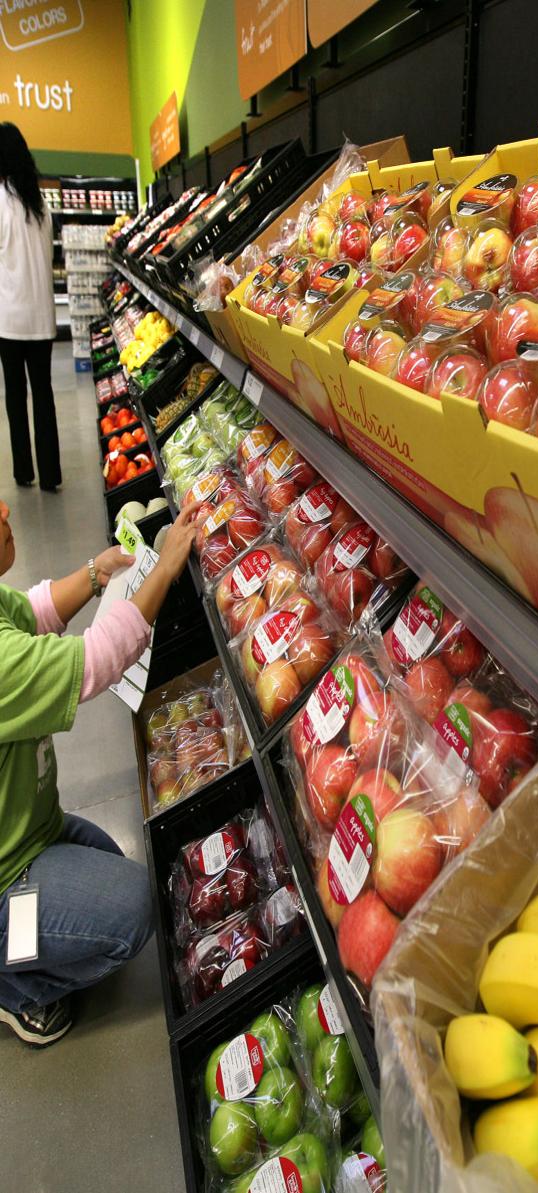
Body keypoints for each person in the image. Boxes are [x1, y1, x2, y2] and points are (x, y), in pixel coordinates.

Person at [0, 498, 201, 1046]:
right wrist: (162, 569)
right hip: (6, 874)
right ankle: (12, 988)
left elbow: (32, 611)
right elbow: (95, 661)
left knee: (116, 869)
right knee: (132, 912)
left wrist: (99, 571)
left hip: (31, 835)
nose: (5, 507)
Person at [0, 122, 60, 492]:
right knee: (43, 395)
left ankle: (24, 471)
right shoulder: (40, 205)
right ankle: (51, 475)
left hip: (10, 318)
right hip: (43, 317)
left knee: (15, 397)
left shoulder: (0, 200)